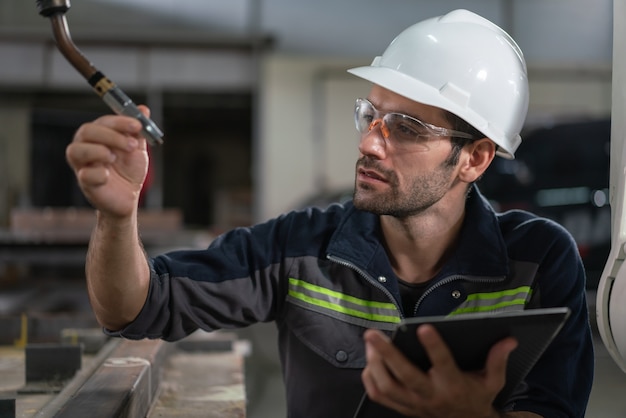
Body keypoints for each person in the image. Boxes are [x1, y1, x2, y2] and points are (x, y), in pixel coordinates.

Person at [65, 8, 594, 418]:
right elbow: (134, 309)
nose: (369, 142)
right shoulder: (302, 249)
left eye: (406, 128)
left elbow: (554, 407)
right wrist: (117, 217)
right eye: (371, 115)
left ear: (474, 159)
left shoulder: (538, 260)